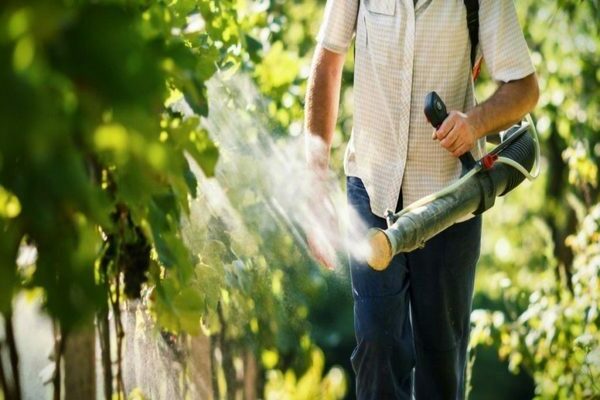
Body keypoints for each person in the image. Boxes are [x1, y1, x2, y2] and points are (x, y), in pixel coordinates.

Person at [303, 0, 539, 399]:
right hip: (372, 193)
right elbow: (327, 62)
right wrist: (314, 184)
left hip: (450, 204)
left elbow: (524, 88)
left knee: (440, 367)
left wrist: (475, 123)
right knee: (376, 350)